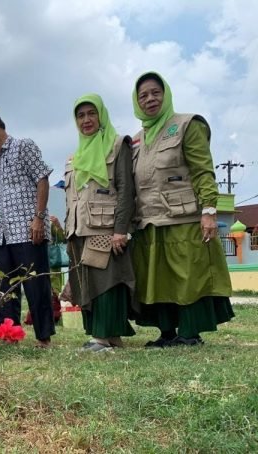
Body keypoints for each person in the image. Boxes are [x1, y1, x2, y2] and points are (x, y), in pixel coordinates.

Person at [130, 72, 234, 347]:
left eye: (155, 92)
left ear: (166, 94)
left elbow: (202, 171)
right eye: (143, 95)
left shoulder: (188, 124)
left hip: (184, 216)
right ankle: (166, 333)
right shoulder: (136, 139)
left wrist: (209, 210)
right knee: (158, 279)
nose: (150, 99)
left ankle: (189, 333)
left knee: (189, 276)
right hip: (149, 221)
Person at [0, 105, 55, 348]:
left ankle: (43, 337)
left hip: (27, 229)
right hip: (0, 236)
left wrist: (39, 218)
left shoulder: (23, 146)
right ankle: (9, 336)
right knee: (3, 288)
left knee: (36, 285)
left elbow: (42, 179)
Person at [63, 94, 136, 352]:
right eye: (80, 115)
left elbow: (126, 190)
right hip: (78, 229)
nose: (86, 120)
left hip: (105, 227)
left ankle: (102, 338)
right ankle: (108, 336)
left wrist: (120, 230)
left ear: (101, 115)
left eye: (91, 114)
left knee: (107, 282)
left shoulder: (117, 145)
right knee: (88, 283)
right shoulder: (75, 156)